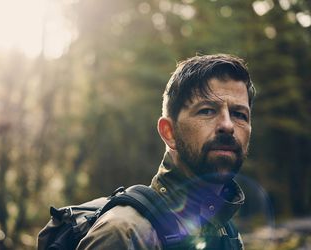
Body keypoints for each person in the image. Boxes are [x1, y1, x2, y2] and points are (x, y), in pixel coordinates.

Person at [76, 54, 256, 249]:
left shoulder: (227, 233)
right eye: (206, 111)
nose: (228, 125)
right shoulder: (125, 233)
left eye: (239, 114)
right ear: (169, 132)